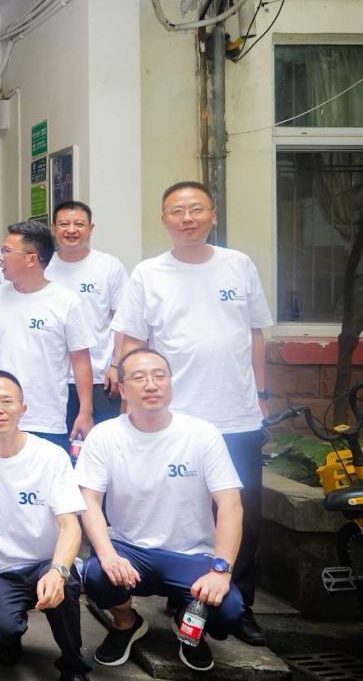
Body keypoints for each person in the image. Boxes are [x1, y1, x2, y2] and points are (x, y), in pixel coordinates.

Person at [111, 181, 273, 645]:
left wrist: (261, 391)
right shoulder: (149, 273)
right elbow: (131, 342)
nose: (187, 218)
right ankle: (181, 594)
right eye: (177, 211)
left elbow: (255, 334)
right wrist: (130, 404)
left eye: (196, 209)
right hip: (173, 417)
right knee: (179, 509)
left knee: (243, 511)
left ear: (213, 215)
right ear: (164, 220)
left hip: (235, 413)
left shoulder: (239, 265)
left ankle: (239, 602)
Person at [79, 348, 245, 673]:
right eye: (139, 377)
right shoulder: (105, 435)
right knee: (96, 575)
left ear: (171, 383)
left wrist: (221, 570)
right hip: (130, 550)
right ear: (122, 389)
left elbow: (230, 504)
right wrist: (108, 555)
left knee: (228, 611)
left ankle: (188, 621)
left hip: (191, 554)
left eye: (159, 376)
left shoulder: (202, 434)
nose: (151, 384)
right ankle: (126, 623)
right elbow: (89, 502)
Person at [0, 371, 90, 681]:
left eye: (7, 401)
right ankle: (9, 641)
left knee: (66, 583)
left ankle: (73, 665)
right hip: (0, 570)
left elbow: (70, 525)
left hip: (45, 563)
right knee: (2, 629)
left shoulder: (51, 457)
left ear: (23, 408)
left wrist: (58, 571)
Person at [0, 221, 96, 450]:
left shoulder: (66, 301)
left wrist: (85, 412)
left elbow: (81, 361)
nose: (0, 258)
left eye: (7, 251)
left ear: (31, 259)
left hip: (46, 419)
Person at [45, 201, 128, 433]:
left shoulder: (109, 266)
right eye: (64, 224)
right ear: (53, 228)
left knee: (102, 440)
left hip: (101, 378)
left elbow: (123, 320)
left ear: (90, 228)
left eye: (79, 224)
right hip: (53, 379)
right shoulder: (43, 266)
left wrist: (117, 364)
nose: (71, 230)